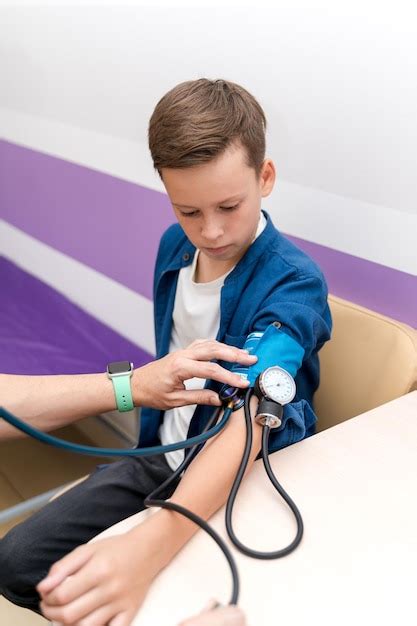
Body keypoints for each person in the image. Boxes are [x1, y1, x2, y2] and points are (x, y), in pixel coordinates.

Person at [0, 78, 332, 626]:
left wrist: (153, 541)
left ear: (265, 177)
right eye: (189, 211)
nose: (212, 231)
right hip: (159, 458)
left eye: (229, 205)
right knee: (16, 563)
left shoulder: (294, 284)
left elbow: (253, 409)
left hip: (241, 474)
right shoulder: (172, 248)